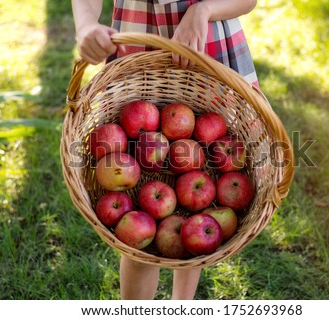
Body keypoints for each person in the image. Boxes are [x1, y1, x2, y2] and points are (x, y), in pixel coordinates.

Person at [71, 0, 259, 300]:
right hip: (140, 39)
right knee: (138, 238)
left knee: (197, 215)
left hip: (202, 43)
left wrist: (203, 9)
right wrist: (85, 25)